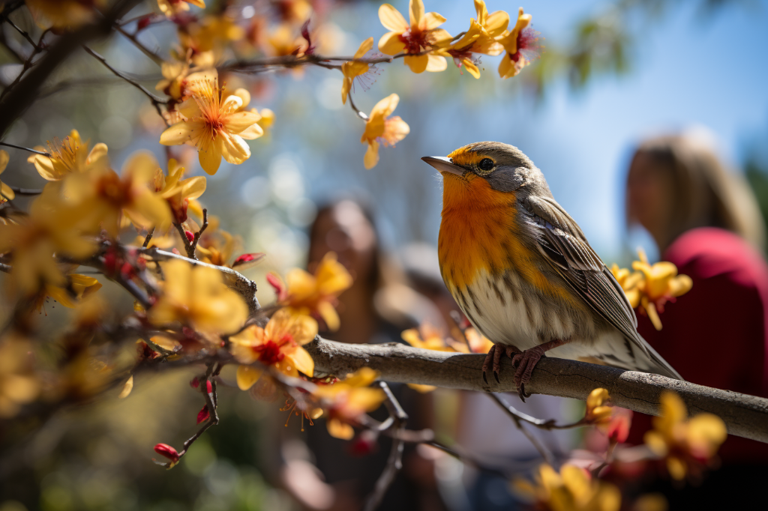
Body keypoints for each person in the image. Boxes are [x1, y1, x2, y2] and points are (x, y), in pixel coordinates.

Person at [624, 130, 768, 506]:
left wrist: (618, 461)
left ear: (687, 185)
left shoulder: (709, 263)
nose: (629, 189)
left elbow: (685, 393)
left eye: (646, 175)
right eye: (629, 176)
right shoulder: (711, 257)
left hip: (715, 483)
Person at [277, 198, 445, 511]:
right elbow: (282, 443)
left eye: (344, 232)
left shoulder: (411, 322)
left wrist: (432, 460)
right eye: (322, 236)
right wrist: (315, 495)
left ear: (374, 239)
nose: (333, 244)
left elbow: (429, 431)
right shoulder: (296, 332)